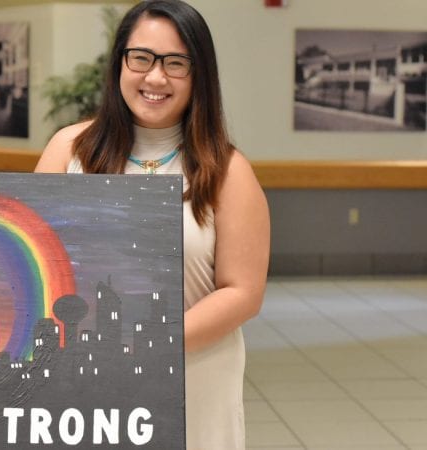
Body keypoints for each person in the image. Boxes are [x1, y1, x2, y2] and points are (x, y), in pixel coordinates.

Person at [35, 1, 270, 448]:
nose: (155, 77)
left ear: (199, 74)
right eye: (141, 58)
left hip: (192, 376)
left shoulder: (227, 170)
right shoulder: (69, 150)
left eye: (175, 63)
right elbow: (34, 255)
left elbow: (243, 292)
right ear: (120, 62)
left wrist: (144, 345)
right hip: (82, 379)